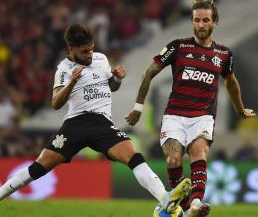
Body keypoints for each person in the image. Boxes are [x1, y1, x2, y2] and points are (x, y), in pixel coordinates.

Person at [0, 23, 191, 214]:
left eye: (91, 49)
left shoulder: (100, 59)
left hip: (102, 124)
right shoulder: (64, 70)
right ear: (71, 49)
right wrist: (72, 83)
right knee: (38, 168)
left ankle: (165, 198)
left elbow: (112, 87)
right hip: (75, 124)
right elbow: (56, 103)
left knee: (134, 156)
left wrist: (116, 79)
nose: (89, 55)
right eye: (84, 52)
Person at [126, 0, 256, 217]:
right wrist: (138, 107)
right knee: (173, 159)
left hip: (203, 116)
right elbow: (148, 72)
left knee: (199, 154)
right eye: (197, 20)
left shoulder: (224, 54)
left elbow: (231, 83)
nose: (201, 24)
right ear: (192, 22)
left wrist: (240, 109)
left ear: (214, 23)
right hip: (175, 115)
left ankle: (196, 203)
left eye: (206, 20)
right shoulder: (178, 46)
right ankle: (186, 211)